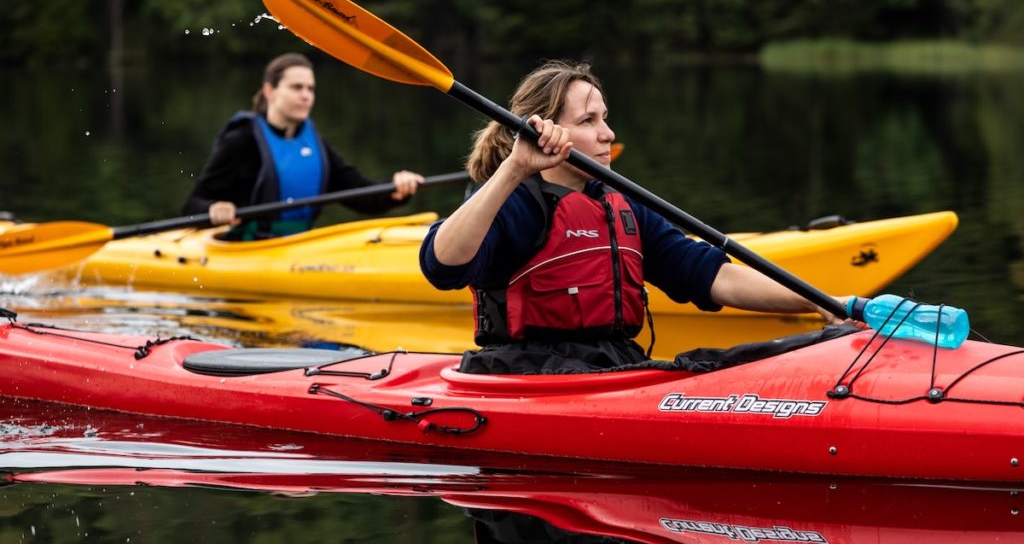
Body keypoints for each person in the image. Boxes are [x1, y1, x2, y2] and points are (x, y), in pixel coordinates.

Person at [419, 60, 851, 374]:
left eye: (605, 118)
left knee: (767, 356)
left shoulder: (622, 206)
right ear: (543, 130)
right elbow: (440, 265)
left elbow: (714, 276)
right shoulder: (518, 201)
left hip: (616, 369)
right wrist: (514, 168)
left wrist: (821, 302)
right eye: (589, 120)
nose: (608, 133)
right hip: (525, 374)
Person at [183, 52, 424, 240]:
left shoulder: (313, 142)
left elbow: (359, 193)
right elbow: (192, 206)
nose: (306, 96)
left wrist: (396, 189)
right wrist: (214, 208)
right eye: (296, 87)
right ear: (270, 91)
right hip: (245, 249)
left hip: (297, 247)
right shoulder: (242, 140)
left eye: (310, 89)